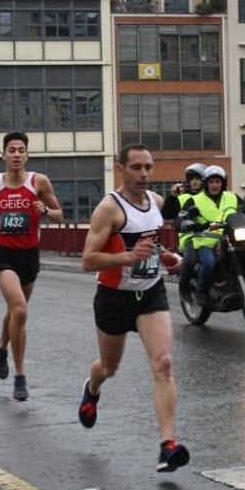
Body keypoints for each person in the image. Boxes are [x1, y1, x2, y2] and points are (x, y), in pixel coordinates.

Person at [78, 143, 189, 472]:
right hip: (114, 297)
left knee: (164, 364)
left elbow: (151, 242)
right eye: (137, 167)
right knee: (109, 368)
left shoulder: (155, 202)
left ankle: (167, 446)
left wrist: (166, 256)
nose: (144, 174)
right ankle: (92, 387)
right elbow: (87, 260)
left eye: (148, 167)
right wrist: (128, 257)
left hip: (150, 292)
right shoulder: (109, 209)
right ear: (121, 168)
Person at [0, 131, 63, 401]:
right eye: (12, 150)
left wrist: (44, 211)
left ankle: (0, 347)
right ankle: (20, 376)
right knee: (20, 309)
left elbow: (59, 214)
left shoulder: (39, 182)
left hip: (29, 255)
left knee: (15, 312)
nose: (17, 154)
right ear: (4, 155)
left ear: (27, 154)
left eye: (21, 150)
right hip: (3, 254)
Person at [180, 166, 245, 306]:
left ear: (223, 183)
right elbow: (182, 217)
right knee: (209, 263)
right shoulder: (195, 200)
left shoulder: (232, 197)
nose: (215, 185)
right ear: (206, 184)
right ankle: (201, 292)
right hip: (205, 241)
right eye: (211, 182)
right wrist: (189, 223)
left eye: (217, 182)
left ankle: (236, 285)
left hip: (229, 237)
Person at [161, 163, 207, 301]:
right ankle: (184, 288)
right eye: (191, 178)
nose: (194, 181)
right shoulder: (183, 198)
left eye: (198, 178)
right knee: (191, 258)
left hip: (213, 235)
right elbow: (167, 214)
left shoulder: (214, 196)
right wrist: (173, 197)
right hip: (190, 237)